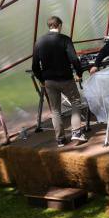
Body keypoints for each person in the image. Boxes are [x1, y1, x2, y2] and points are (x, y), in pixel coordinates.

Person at [32, 16, 87, 147]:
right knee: (75, 102)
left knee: (55, 110)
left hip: (49, 81)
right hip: (66, 79)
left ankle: (60, 140)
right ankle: (77, 133)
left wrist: (42, 80)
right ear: (59, 25)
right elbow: (74, 59)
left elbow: (34, 66)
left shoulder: (39, 42)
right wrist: (79, 73)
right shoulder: (65, 39)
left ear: (49, 26)